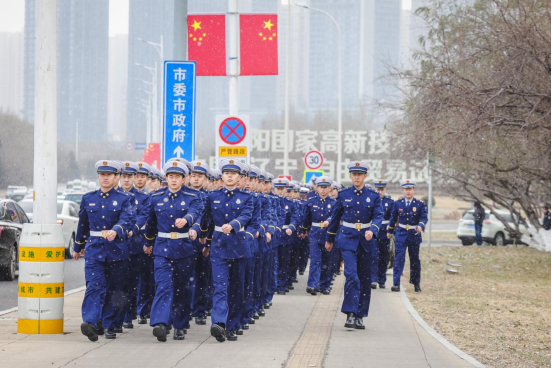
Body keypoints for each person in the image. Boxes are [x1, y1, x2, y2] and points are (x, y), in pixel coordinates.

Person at [75, 160, 136, 342]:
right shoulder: (88, 198)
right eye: (102, 174)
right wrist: (78, 246)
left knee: (113, 289)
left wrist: (116, 230)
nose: (105, 178)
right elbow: (83, 224)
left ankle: (109, 323)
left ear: (116, 177)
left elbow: (128, 220)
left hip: (117, 250)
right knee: (94, 286)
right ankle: (90, 322)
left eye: (109, 175)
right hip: (94, 249)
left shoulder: (125, 199)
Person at [145, 161, 204, 342]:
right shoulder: (156, 197)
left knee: (181, 289)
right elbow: (151, 223)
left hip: (184, 248)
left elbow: (196, 212)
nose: (173, 180)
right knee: (163, 286)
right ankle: (161, 324)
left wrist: (187, 220)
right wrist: (148, 242)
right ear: (166, 178)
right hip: (162, 248)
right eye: (170, 176)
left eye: (177, 177)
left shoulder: (192, 195)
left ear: (184, 179)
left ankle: (180, 325)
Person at [200, 159, 254, 343]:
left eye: (233, 173)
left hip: (239, 247)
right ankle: (220, 324)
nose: (229, 176)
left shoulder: (248, 198)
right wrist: (200, 235)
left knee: (237, 289)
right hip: (219, 248)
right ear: (222, 176)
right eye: (226, 173)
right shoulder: (212, 196)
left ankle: (233, 325)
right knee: (220, 287)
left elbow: (247, 215)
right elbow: (205, 221)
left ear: (239, 177)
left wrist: (233, 225)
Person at [325, 161, 383, 330]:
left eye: (360, 174)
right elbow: (335, 218)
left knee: (365, 279)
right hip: (348, 239)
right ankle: (350, 313)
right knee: (352, 275)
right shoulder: (343, 195)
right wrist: (329, 239)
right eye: (354, 174)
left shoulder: (373, 196)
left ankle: (360, 316)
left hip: (366, 241)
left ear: (365, 176)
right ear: (350, 175)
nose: (357, 177)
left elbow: (378, 216)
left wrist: (373, 229)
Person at [387, 179, 428, 293]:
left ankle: (416, 283)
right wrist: (389, 231)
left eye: (410, 189)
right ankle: (396, 283)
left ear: (413, 190)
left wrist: (421, 225)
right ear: (403, 190)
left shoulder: (419, 204)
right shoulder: (398, 203)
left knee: (414, 259)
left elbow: (424, 217)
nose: (408, 192)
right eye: (406, 189)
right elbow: (393, 218)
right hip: (401, 233)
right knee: (399, 259)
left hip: (414, 234)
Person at [303, 176, 335, 296]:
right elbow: (307, 218)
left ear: (329, 188)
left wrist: (330, 220)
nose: (323, 190)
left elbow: (337, 217)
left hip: (328, 235)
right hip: (315, 234)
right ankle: (312, 284)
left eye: (325, 187)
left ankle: (324, 285)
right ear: (317, 188)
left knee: (327, 261)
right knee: (315, 260)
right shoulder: (311, 202)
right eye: (321, 187)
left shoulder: (333, 202)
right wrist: (304, 229)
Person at [371, 180, 395, 289]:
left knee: (384, 257)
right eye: (378, 189)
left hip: (385, 233)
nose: (380, 192)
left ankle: (382, 280)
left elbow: (393, 217)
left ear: (384, 190)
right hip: (374, 232)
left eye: (381, 189)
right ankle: (373, 279)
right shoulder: (371, 201)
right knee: (374, 256)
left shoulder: (389, 202)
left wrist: (390, 228)